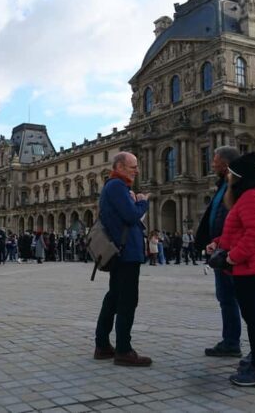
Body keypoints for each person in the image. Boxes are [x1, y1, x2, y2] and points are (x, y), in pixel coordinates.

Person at [206, 152, 255, 387]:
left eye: (230, 175)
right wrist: (219, 242)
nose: (227, 179)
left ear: (237, 177)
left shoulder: (249, 197)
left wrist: (232, 258)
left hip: (249, 265)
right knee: (254, 315)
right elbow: (238, 230)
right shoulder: (247, 196)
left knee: (254, 317)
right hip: (249, 264)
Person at [93, 152, 151, 367]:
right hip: (126, 254)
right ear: (119, 166)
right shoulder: (117, 186)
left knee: (114, 298)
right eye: (132, 166)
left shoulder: (116, 187)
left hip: (121, 252)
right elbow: (131, 216)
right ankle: (124, 350)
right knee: (126, 301)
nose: (136, 170)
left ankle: (102, 345)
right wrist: (143, 202)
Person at [195, 146, 242, 359]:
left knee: (231, 298)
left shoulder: (235, 185)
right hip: (221, 248)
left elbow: (232, 219)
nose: (211, 164)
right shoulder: (224, 184)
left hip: (229, 251)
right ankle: (230, 340)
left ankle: (232, 342)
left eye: (214, 161)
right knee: (226, 297)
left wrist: (223, 243)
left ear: (224, 164)